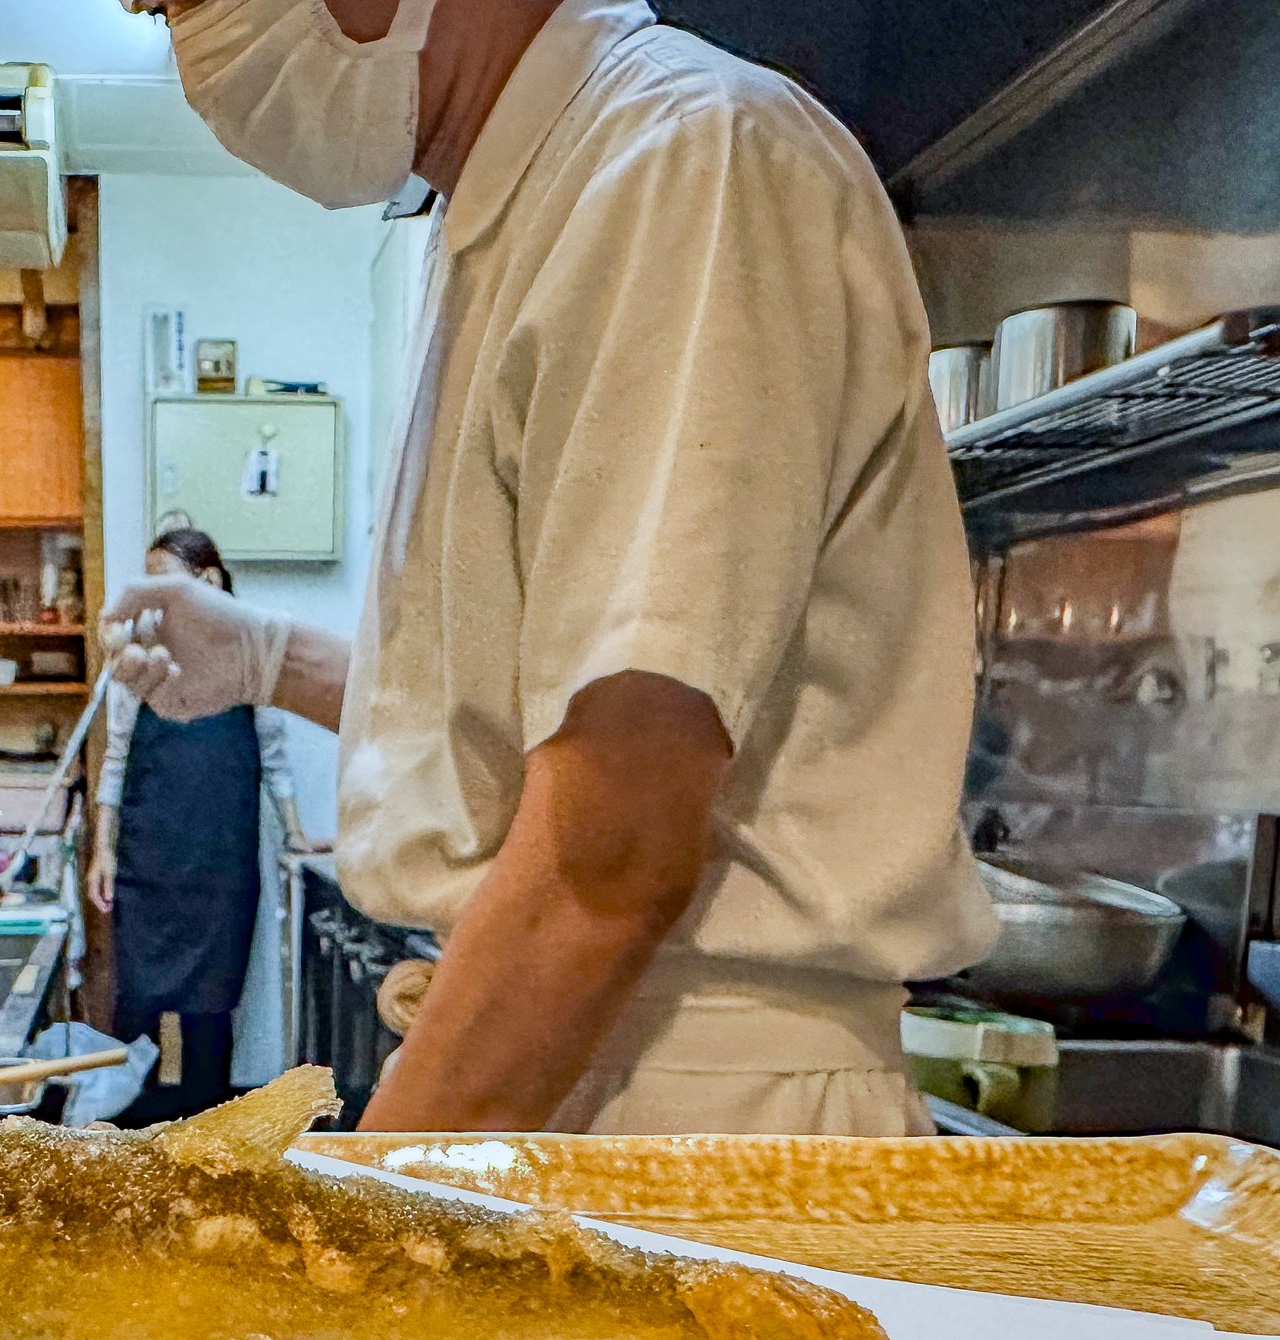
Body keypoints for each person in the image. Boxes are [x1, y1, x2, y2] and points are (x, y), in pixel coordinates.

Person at [107, 0, 998, 1136]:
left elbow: (609, 855)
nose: (192, 37)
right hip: (592, 1076)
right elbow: (552, 720)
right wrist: (271, 656)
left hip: (691, 1121)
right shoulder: (514, 211)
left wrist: (356, 1226)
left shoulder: (679, 162)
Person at [88, 529, 319, 1122]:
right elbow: (115, 761)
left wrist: (295, 833)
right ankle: (129, 1132)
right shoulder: (138, 662)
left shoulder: (248, 658)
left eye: (162, 576)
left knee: (213, 1002)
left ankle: (208, 1128)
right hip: (149, 856)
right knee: (139, 999)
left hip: (222, 856)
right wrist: (103, 851)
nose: (149, 593)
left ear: (209, 583)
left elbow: (274, 759)